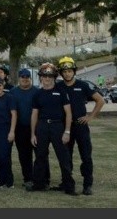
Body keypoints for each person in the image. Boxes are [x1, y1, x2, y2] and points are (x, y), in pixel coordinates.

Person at [56, 56, 105, 195]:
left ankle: (87, 184)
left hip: (80, 125)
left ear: (74, 71)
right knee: (66, 156)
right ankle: (66, 182)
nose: (67, 74)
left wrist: (90, 116)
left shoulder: (83, 85)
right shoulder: (58, 86)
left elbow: (100, 100)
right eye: (64, 71)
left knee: (86, 156)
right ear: (61, 73)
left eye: (70, 71)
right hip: (65, 127)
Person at [26, 63, 76, 196]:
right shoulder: (37, 94)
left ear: (54, 77)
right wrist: (33, 134)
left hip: (57, 126)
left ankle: (69, 187)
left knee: (63, 157)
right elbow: (34, 114)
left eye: (49, 76)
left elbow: (69, 113)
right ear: (40, 78)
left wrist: (67, 131)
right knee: (40, 156)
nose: (47, 79)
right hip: (42, 126)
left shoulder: (61, 92)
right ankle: (39, 184)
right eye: (44, 76)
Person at [12, 67, 40, 189]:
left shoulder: (37, 91)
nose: (25, 79)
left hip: (37, 128)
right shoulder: (13, 92)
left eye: (27, 77)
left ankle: (42, 178)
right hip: (20, 128)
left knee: (40, 153)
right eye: (22, 77)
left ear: (30, 78)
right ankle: (28, 178)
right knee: (24, 155)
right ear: (19, 78)